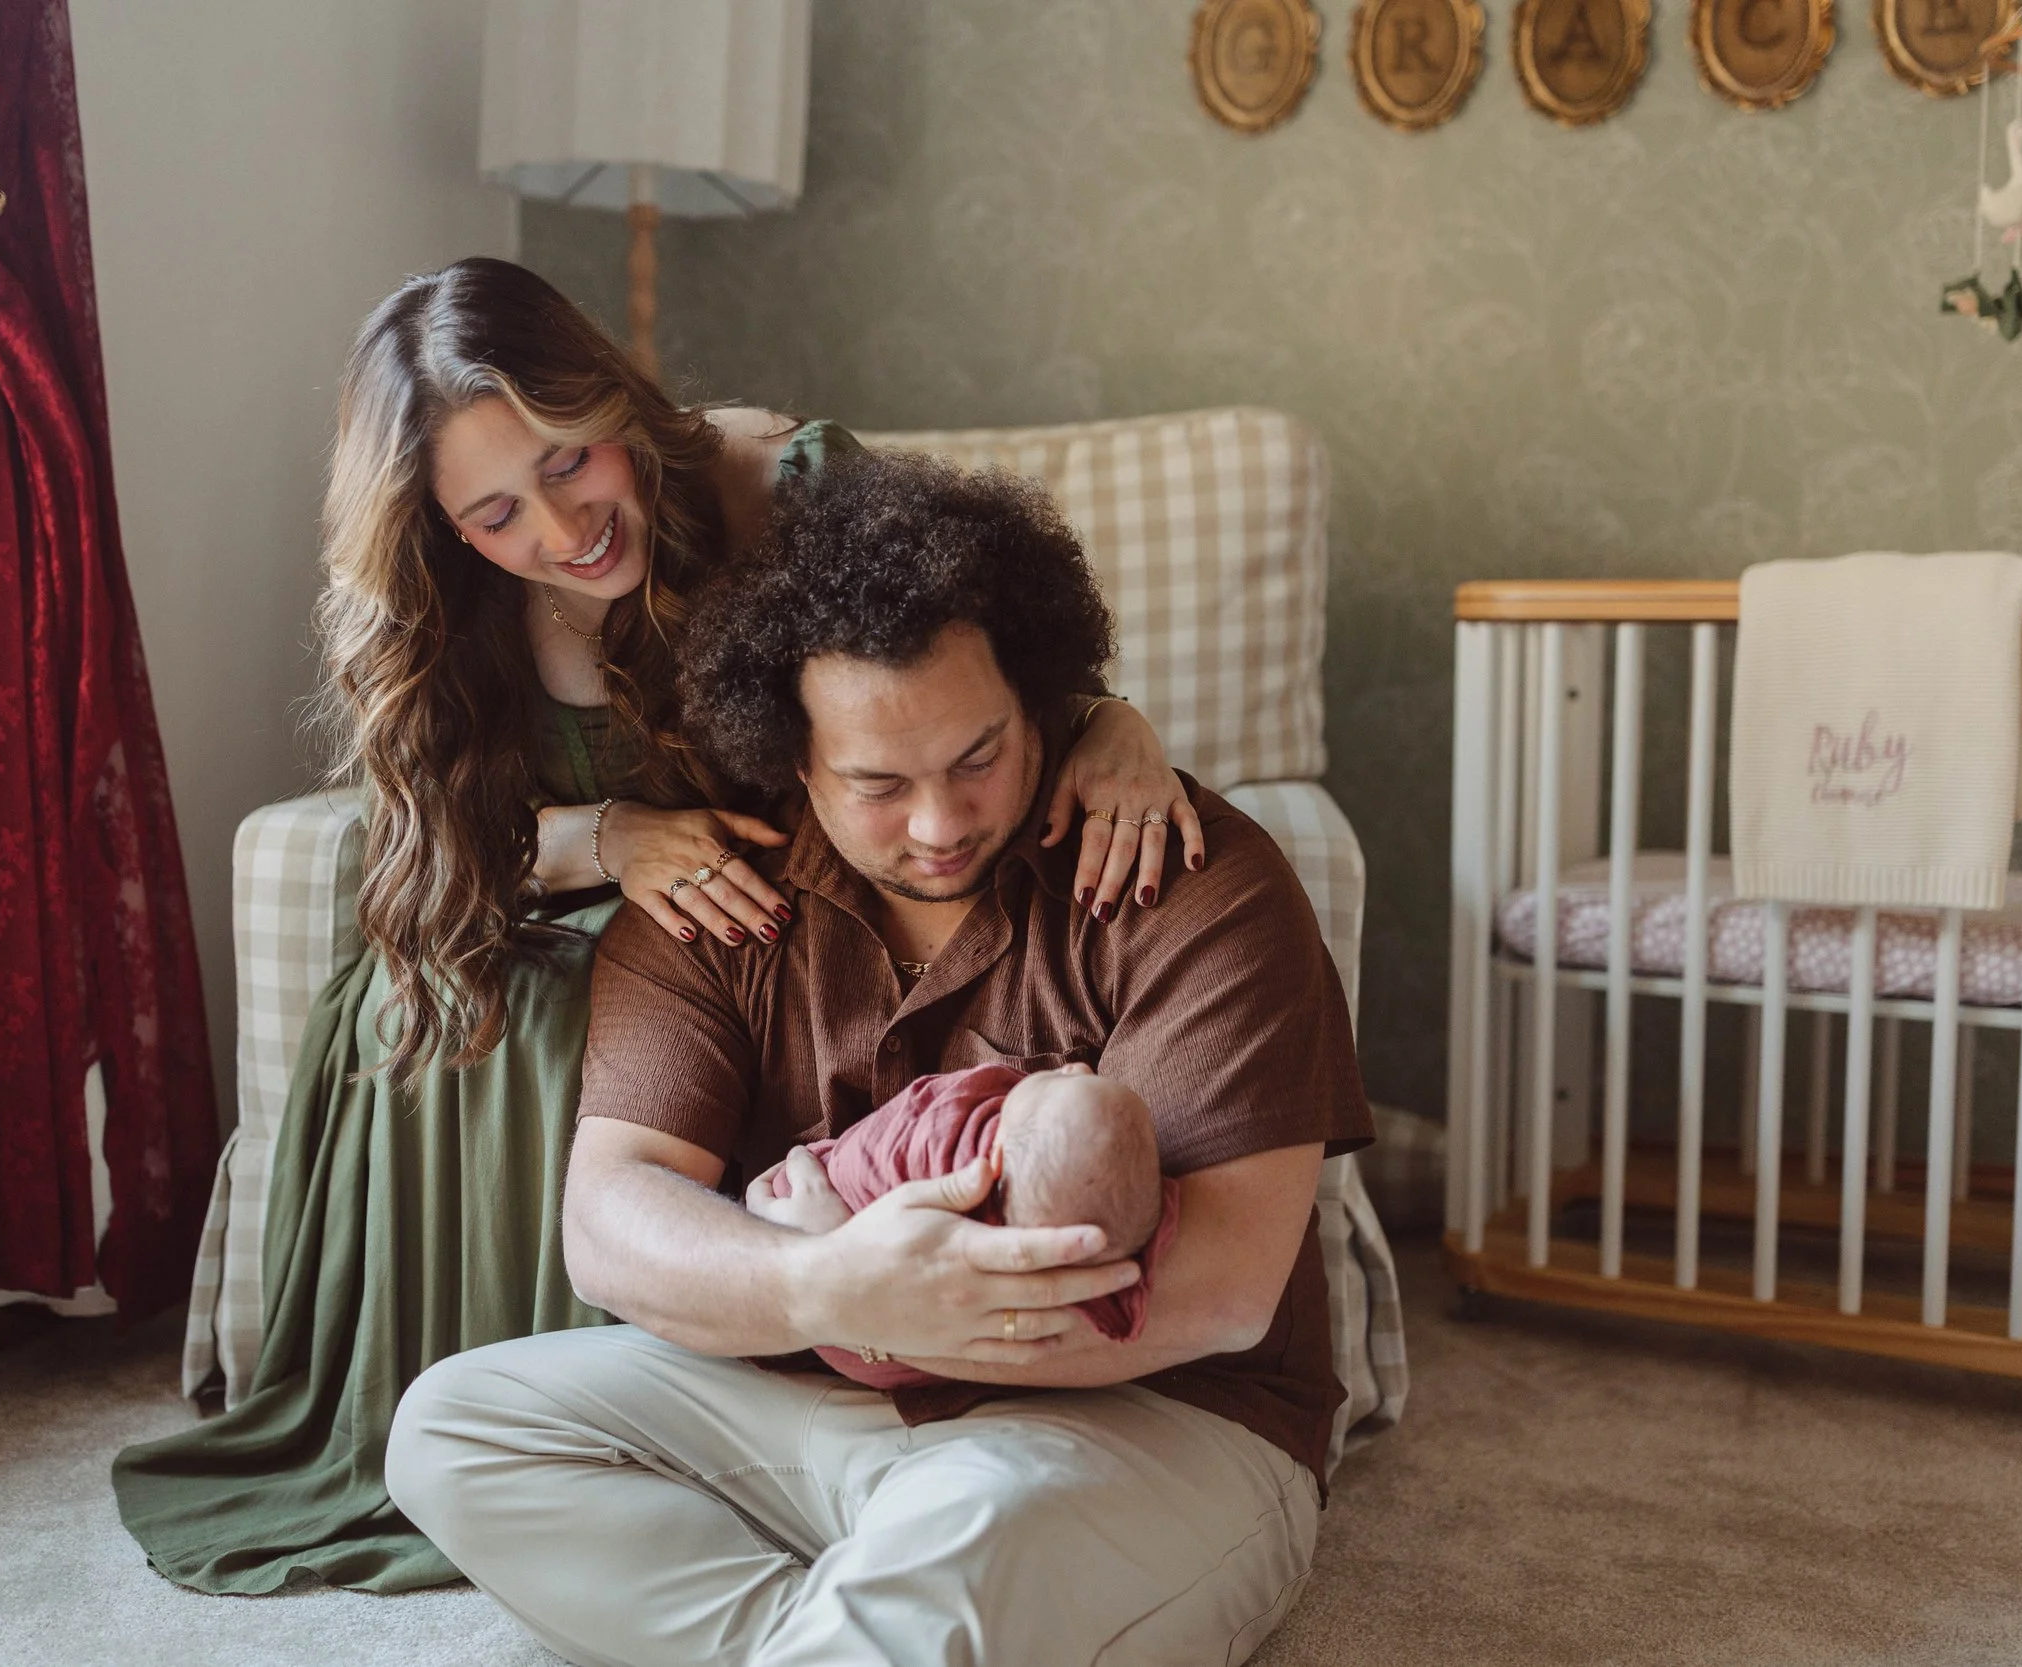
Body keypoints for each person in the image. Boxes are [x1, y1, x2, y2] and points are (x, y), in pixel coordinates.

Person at [111, 258, 1201, 1594]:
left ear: (613, 402)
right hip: (566, 915)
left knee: (636, 1006)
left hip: (778, 935)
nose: (563, 529)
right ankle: (486, 1420)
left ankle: (695, 1423)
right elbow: (434, 855)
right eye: (498, 510)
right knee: (460, 1007)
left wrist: (1121, 727)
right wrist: (608, 840)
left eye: (572, 461)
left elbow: (982, 678)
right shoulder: (455, 604)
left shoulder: (774, 483)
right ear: (445, 523)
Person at [385, 450, 1375, 1664]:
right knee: (456, 1424)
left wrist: (896, 1313)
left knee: (962, 1542)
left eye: (978, 756)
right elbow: (611, 1215)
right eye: (877, 783)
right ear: (793, 761)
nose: (939, 821)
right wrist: (825, 1290)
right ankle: (841, 1627)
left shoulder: (1193, 878)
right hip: (808, 1394)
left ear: (1042, 702)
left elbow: (1221, 1290)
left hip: (1139, 1419)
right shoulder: (714, 901)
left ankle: (881, 1613)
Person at [754, 1059, 1179, 1391]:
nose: (1080, 1067)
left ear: (992, 1159)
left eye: (1064, 1080)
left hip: (826, 1295)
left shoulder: (947, 1140)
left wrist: (825, 1243)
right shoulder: (1096, 1263)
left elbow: (882, 1141)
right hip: (905, 1367)